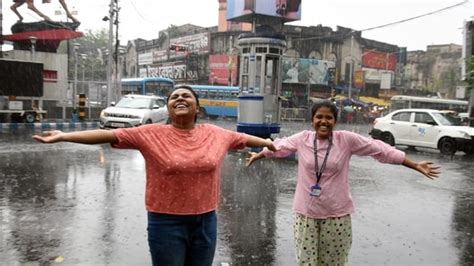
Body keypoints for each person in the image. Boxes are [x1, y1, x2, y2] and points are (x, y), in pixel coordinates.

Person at [33, 85, 277, 266]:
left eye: (186, 96)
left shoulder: (215, 134)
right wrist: (63, 136)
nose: (180, 98)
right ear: (168, 108)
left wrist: (267, 143)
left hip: (205, 220)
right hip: (165, 222)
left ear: (197, 108)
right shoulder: (150, 133)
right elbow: (106, 135)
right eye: (174, 97)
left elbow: (244, 139)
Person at [246, 100, 440, 265]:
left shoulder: (346, 140)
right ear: (312, 121)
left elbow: (379, 150)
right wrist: (260, 154)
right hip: (306, 215)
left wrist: (414, 164)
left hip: (336, 215)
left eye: (328, 118)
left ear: (335, 122)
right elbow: (280, 146)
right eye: (319, 117)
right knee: (306, 262)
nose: (324, 121)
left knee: (333, 263)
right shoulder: (302, 139)